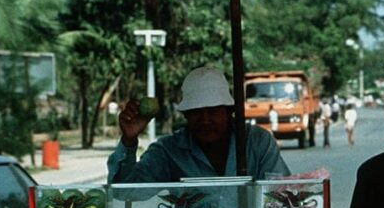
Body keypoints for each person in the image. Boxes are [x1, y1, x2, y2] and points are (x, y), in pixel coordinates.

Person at [108, 66, 290, 183]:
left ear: (228, 112)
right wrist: (129, 140)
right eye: (196, 112)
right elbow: (127, 193)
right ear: (186, 115)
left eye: (213, 111)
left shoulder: (258, 142)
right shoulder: (168, 150)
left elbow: (280, 193)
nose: (205, 120)